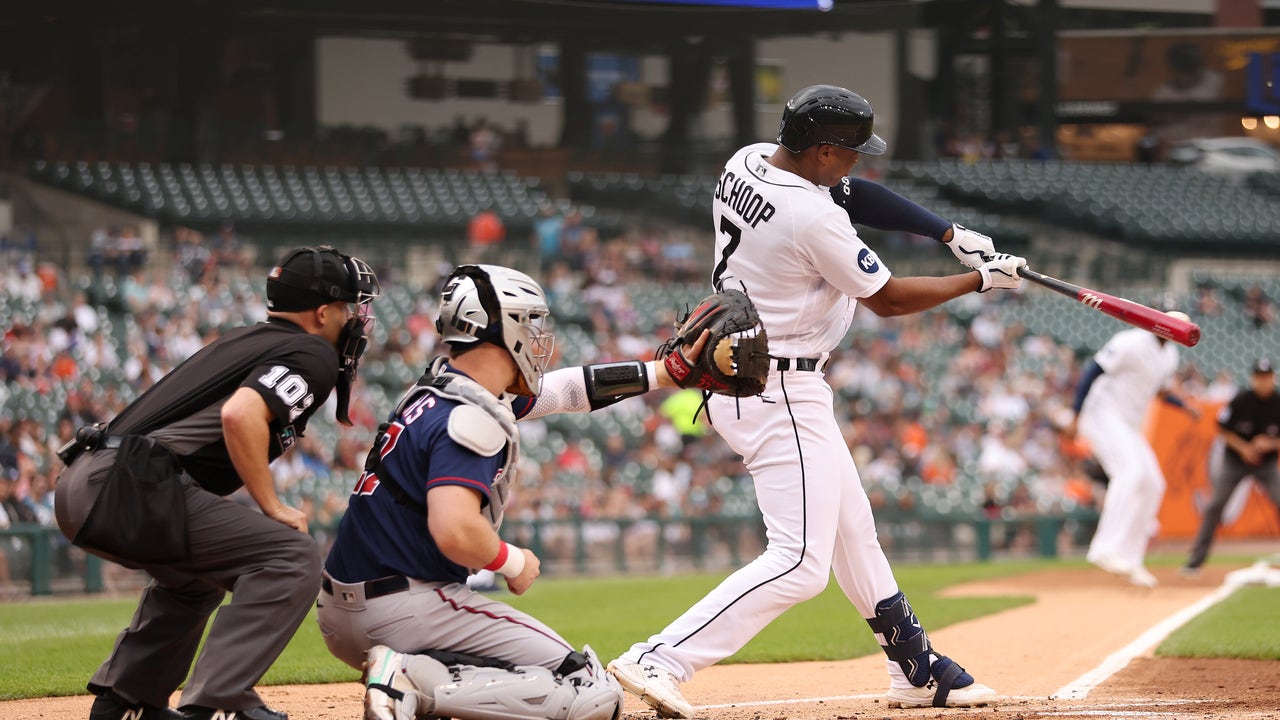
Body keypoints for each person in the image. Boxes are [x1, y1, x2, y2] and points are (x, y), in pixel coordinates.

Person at [606, 84, 1026, 718]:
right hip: (778, 386)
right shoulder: (813, 216)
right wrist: (980, 280)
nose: (858, 162)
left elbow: (856, 194)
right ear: (823, 150)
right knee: (801, 562)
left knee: (853, 531)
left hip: (738, 370)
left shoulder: (747, 160)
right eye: (851, 151)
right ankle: (659, 658)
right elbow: (885, 299)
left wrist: (948, 232)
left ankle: (915, 667)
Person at [315, 264, 704, 720]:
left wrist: (667, 370)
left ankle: (411, 679)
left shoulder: (437, 389)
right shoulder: (471, 415)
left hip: (344, 610)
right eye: (530, 320)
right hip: (405, 607)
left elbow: (566, 392)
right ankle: (408, 681)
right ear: (498, 327)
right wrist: (512, 561)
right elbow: (454, 527)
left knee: (500, 676)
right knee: (592, 690)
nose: (539, 335)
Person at [54, 246, 381, 720]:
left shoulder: (254, 339)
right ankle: (222, 699)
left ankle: (127, 702)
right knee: (290, 556)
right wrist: (272, 506)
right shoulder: (311, 351)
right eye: (350, 307)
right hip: (127, 483)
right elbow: (240, 414)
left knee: (196, 578)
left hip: (93, 478)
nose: (355, 319)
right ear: (323, 312)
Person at [1065, 309, 1198, 588]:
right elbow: (1093, 371)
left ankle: (1131, 559)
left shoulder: (1169, 355)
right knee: (1131, 473)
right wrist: (1075, 416)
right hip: (1102, 415)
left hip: (1128, 424)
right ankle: (1104, 548)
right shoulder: (1130, 341)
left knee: (1154, 484)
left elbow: (1160, 392)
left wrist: (1184, 406)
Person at [1182, 359, 1280, 576]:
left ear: (1273, 378)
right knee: (1215, 505)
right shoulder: (1241, 400)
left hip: (1267, 462)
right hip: (1235, 461)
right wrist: (1244, 447)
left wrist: (1270, 443)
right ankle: (1195, 560)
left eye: (1267, 377)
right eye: (1260, 377)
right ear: (1253, 378)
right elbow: (1222, 429)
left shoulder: (1277, 401)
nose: (1264, 382)